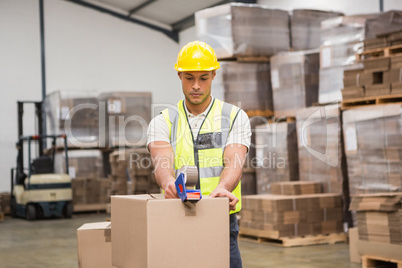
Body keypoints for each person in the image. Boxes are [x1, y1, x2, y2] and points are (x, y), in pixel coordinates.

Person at [147, 40, 251, 268]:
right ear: (179, 76)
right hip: (176, 216)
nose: (196, 85)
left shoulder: (234, 116)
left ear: (214, 75)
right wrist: (168, 183)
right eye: (189, 78)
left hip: (220, 217)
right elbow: (161, 162)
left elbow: (234, 161)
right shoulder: (163, 120)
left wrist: (223, 188)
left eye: (203, 78)